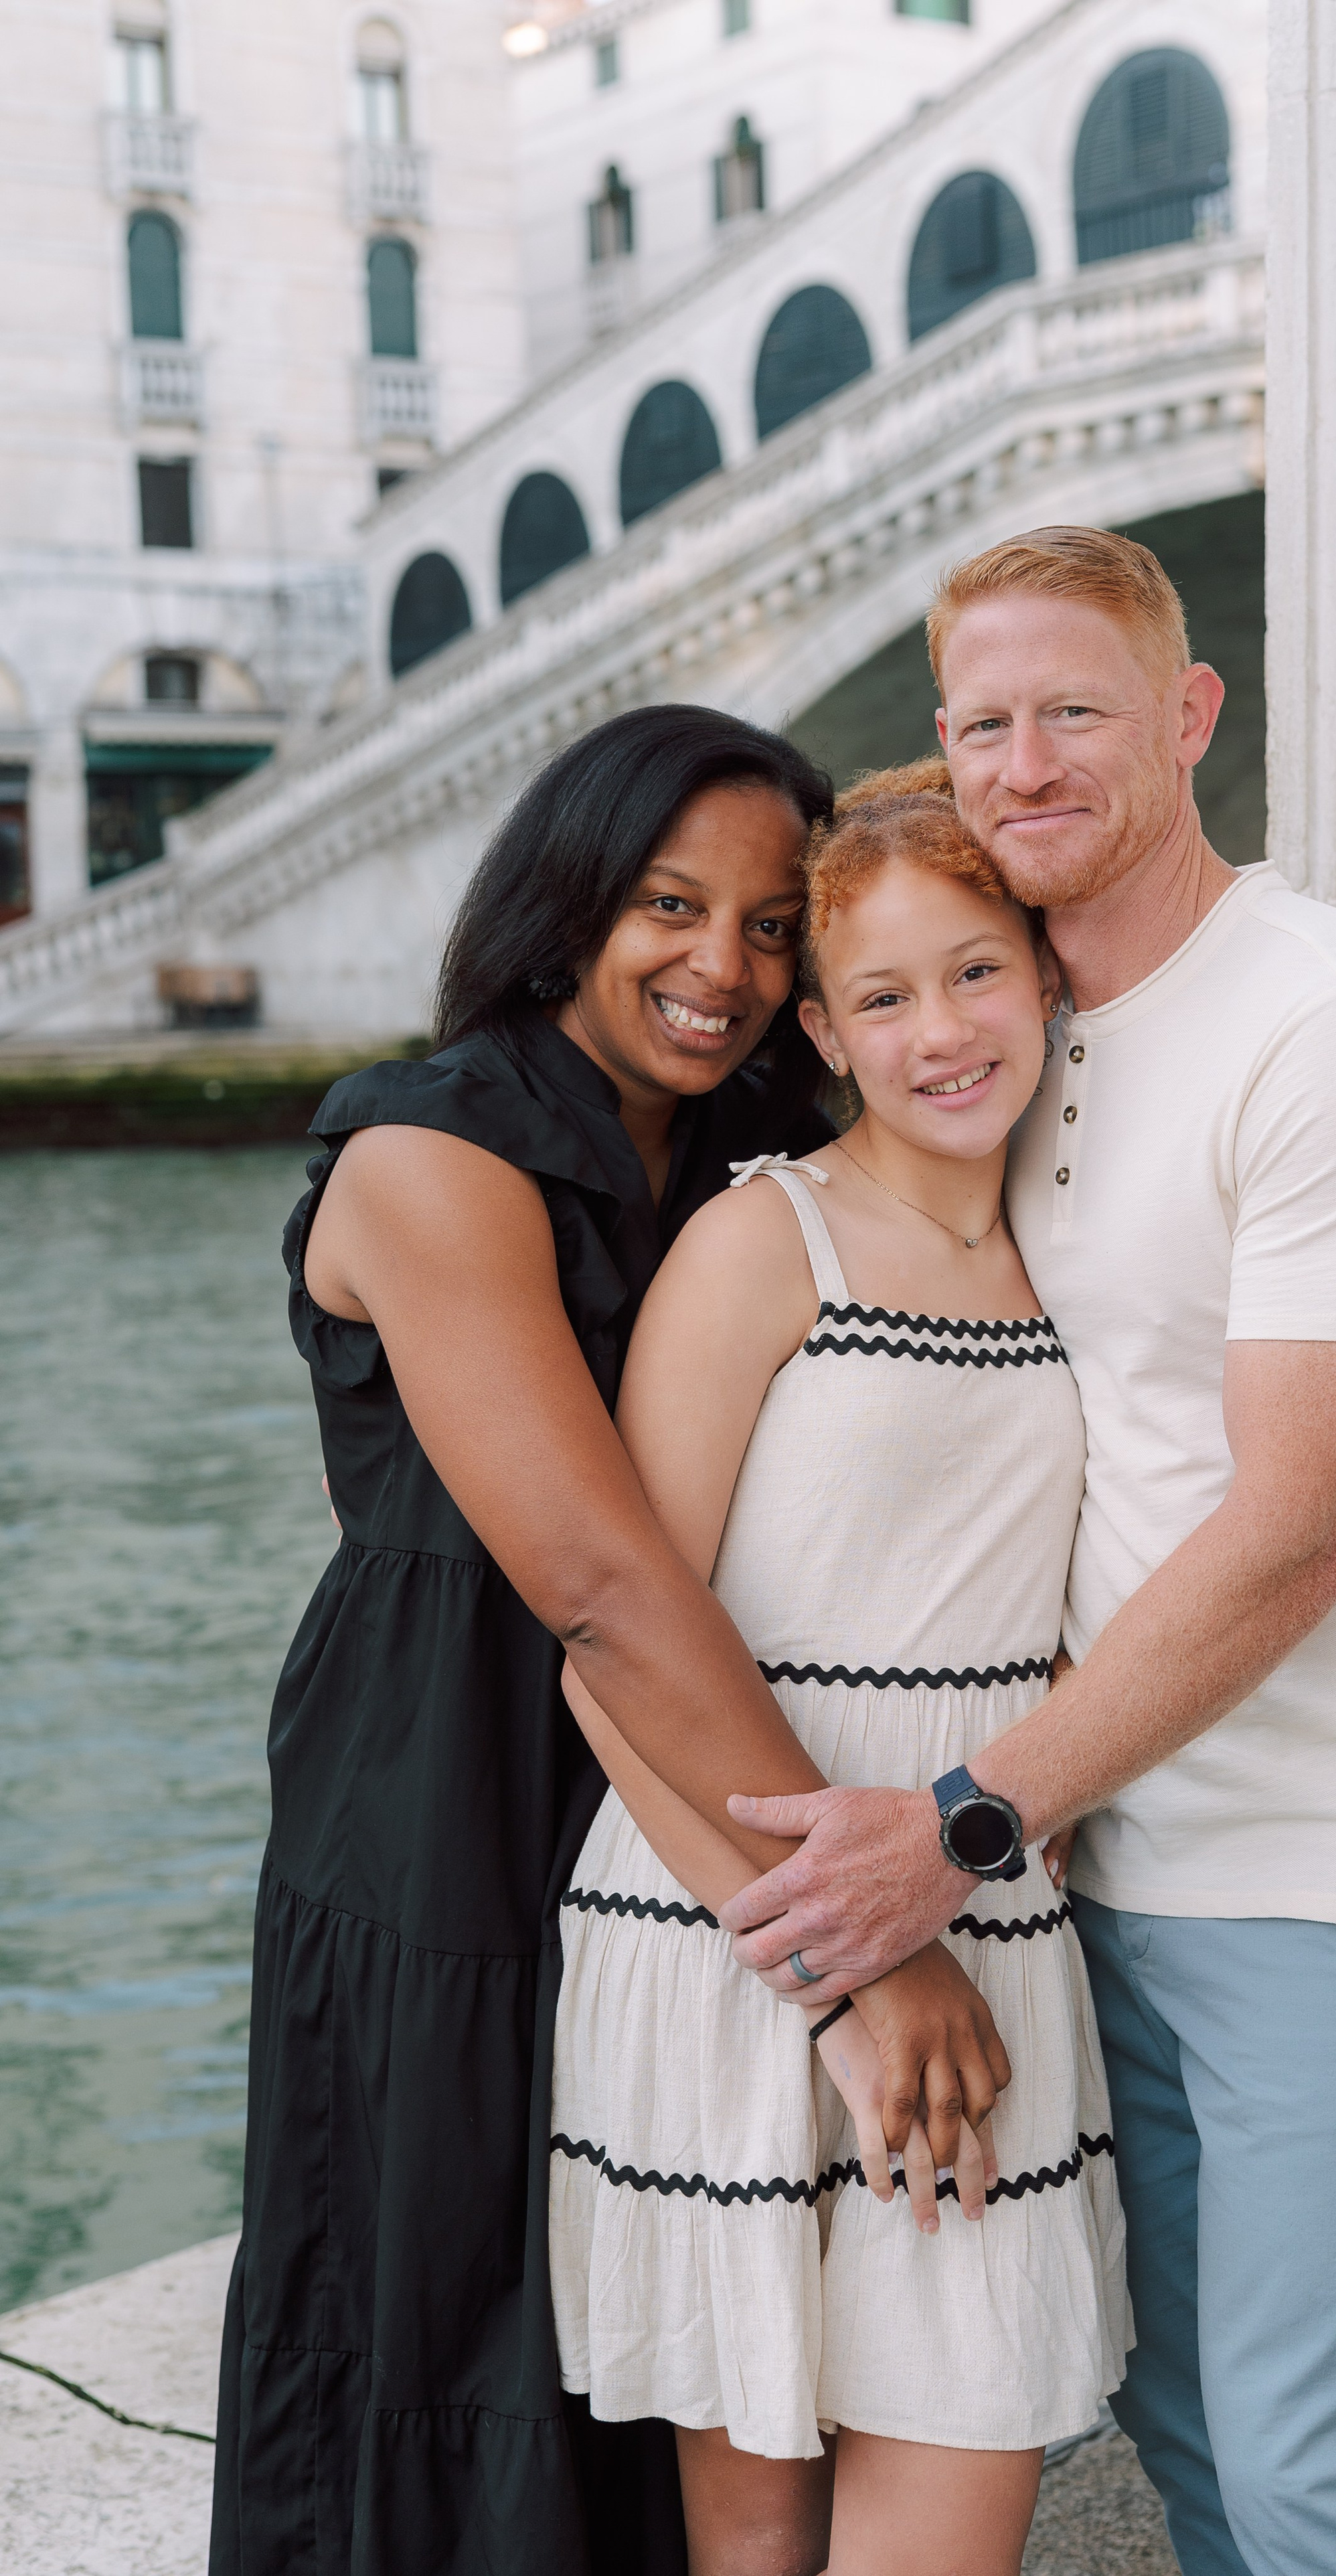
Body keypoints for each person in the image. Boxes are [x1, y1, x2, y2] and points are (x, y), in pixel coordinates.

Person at [718, 528, 1336, 2576]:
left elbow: (1293, 1534)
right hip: (1107, 1866)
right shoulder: (1028, 1039)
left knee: (1314, 2469)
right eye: (983, 722)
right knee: (1179, 2431)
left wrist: (967, 1821)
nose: (1028, 757)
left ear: (1188, 715)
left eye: (1076, 707)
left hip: (1322, 1865)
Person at [211, 706, 1009, 2576]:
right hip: (448, 1795)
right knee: (436, 2294)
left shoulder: (759, 1163)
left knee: (640, 2309)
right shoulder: (434, 1156)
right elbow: (598, 1581)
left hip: (678, 1788)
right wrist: (861, 1944)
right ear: (567, 905)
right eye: (671, 906)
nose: (720, 968)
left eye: (766, 927)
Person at [545, 779, 1130, 2576]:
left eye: (976, 975)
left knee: (950, 2508)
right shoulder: (760, 1243)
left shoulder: (1101, 1253)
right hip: (739, 1943)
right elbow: (612, 1669)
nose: (940, 1033)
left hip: (987, 1899)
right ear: (820, 1029)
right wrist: (842, 1981)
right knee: (756, 2546)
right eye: (882, 998)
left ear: (1047, 976)